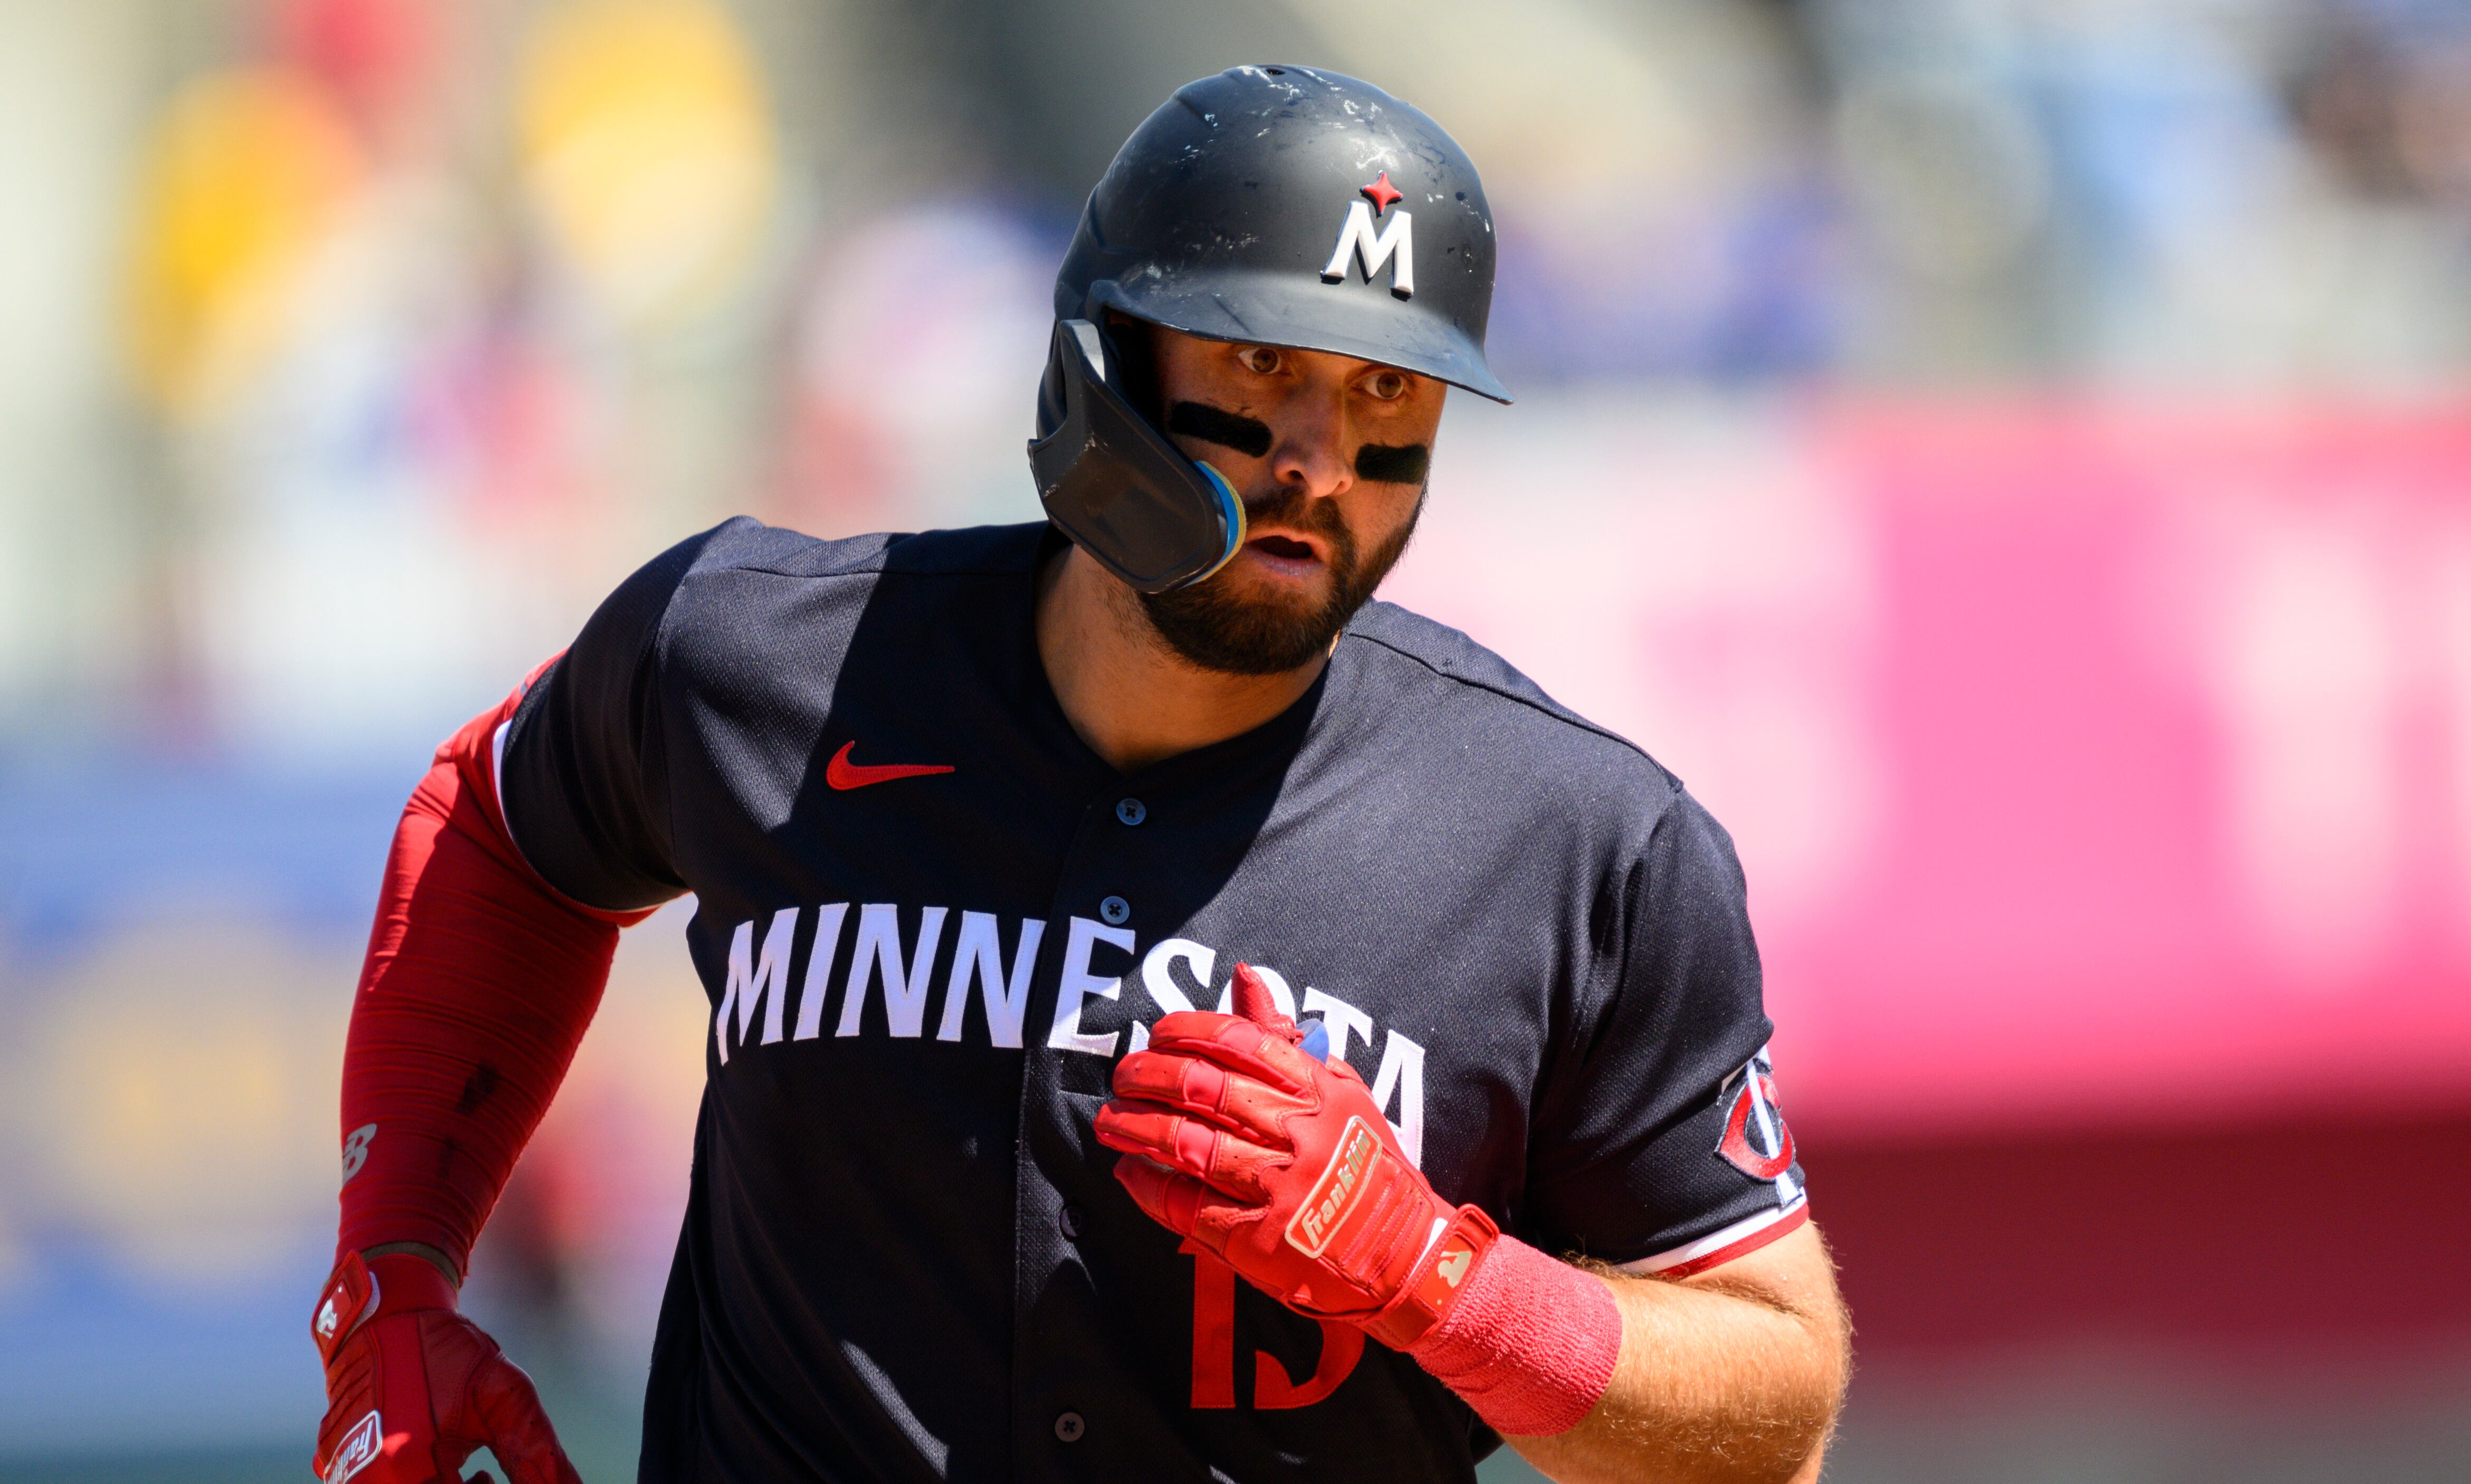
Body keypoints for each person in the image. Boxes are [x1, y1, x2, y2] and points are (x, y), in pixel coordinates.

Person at [309, 65, 1848, 1484]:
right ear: (1107, 360)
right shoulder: (756, 654)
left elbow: (1776, 1394)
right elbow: (499, 829)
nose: (1318, 458)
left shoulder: (1582, 847)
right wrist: (391, 1279)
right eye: (1264, 361)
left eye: (1386, 396)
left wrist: (1444, 1279)